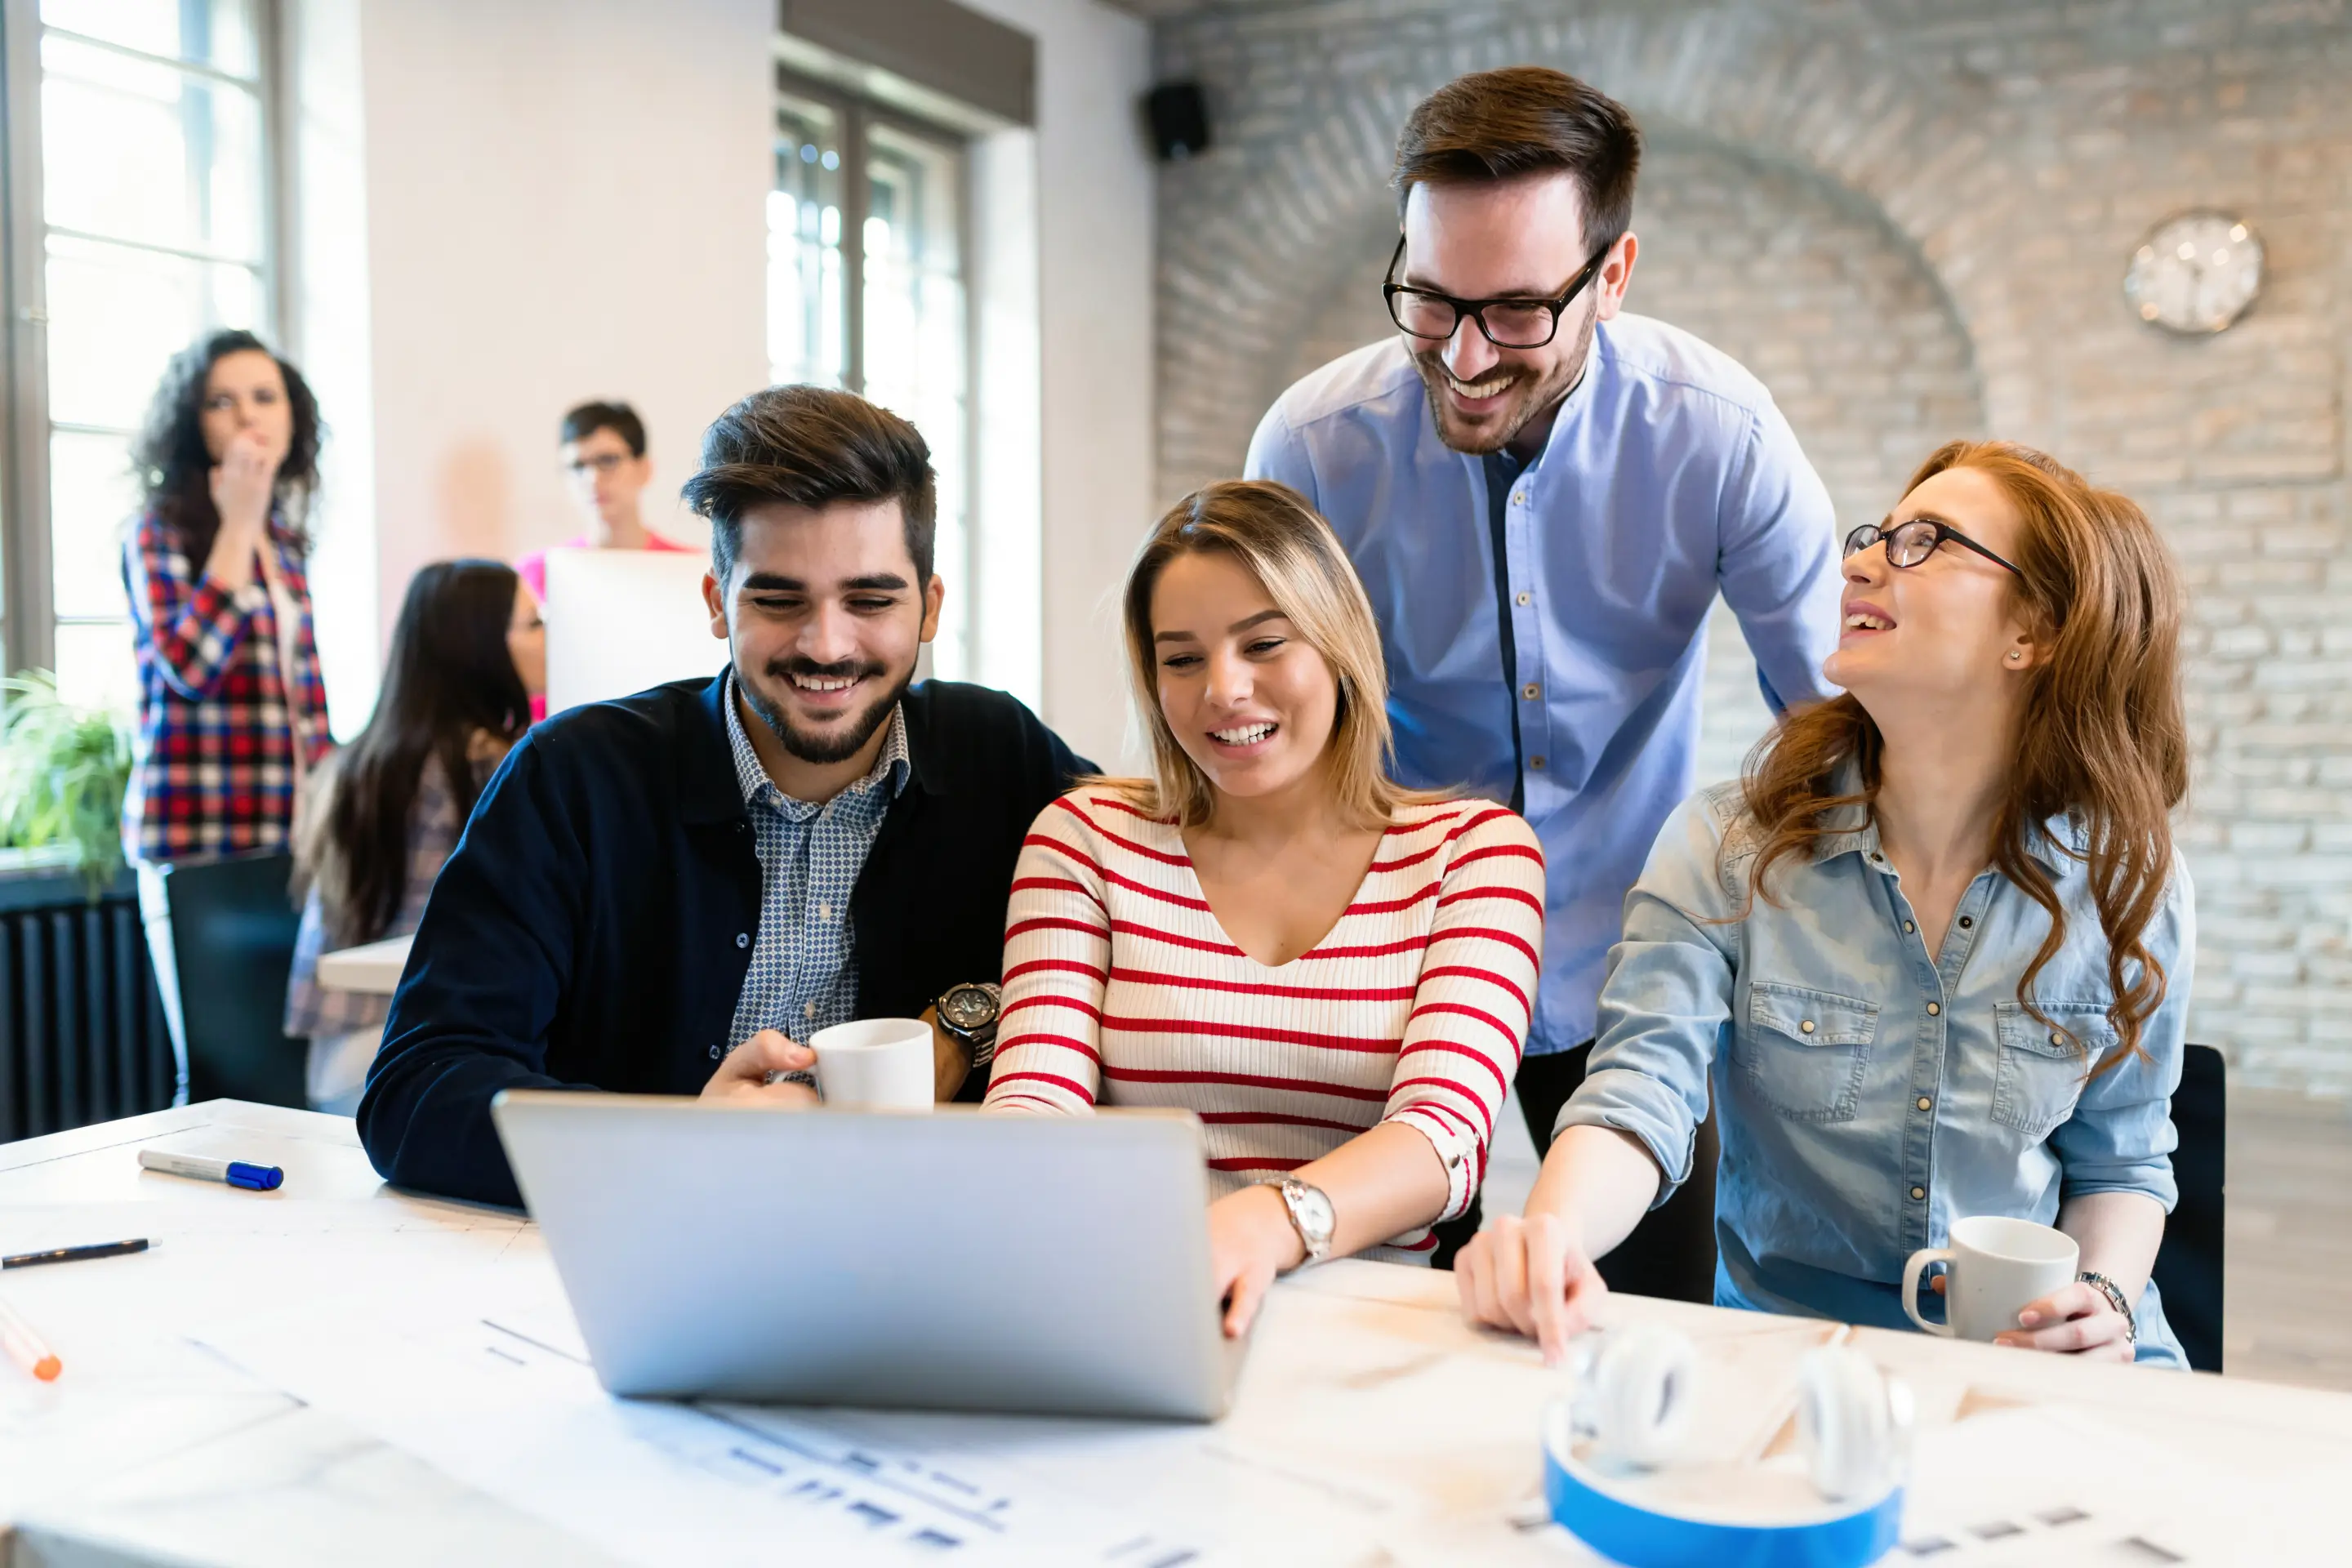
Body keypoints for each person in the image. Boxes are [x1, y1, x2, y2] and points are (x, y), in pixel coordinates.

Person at [1245, 67, 1845, 1284]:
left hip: (1630, 948)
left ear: (1612, 278)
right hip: (1385, 947)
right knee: (1362, 1291)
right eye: (1429, 298)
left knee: (1663, 1298)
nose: (1462, 356)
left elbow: (1835, 715)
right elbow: (1262, 727)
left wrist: (1790, 943)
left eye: (1518, 311)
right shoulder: (1310, 445)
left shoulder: (1719, 436)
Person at [1457, 440, 2194, 1369]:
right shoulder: (1727, 847)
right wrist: (1552, 1235)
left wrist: (2105, 1301)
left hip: (2047, 1358)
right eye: (1875, 536)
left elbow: (2123, 1164)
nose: (1859, 562)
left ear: (2033, 631)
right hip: (1799, 1351)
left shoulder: (2131, 881)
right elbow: (1639, 1093)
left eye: (1927, 541)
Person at [359, 385, 1091, 1207]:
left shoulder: (1000, 755)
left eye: (872, 600)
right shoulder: (571, 778)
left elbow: (1171, 902)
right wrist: (684, 1147)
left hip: (921, 1261)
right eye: (778, 600)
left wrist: (969, 1018)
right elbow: (416, 1092)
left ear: (930, 608)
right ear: (715, 602)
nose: (826, 645)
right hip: (629, 1279)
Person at [984, 480, 1544, 1339]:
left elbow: (1442, 1137)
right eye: (1181, 659)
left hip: (1373, 1325)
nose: (1224, 690)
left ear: (1337, 644)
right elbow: (1034, 1102)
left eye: (1264, 644)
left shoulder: (1474, 852)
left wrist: (1268, 1221)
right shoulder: (1084, 836)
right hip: (1135, 1303)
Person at [284, 561, 542, 1116]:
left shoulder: (352, 763)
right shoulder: (486, 764)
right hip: (413, 1064)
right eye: (533, 623)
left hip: (333, 1065)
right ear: (479, 645)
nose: (551, 637)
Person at [123, 328, 332, 862]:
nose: (248, 417)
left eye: (265, 397)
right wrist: (238, 522)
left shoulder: (284, 542)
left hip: (292, 833)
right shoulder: (159, 530)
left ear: (293, 415)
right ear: (195, 424)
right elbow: (191, 669)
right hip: (197, 836)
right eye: (222, 402)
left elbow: (303, 702)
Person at [517, 401, 693, 722]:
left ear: (644, 468)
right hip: (558, 739)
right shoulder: (532, 575)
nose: (592, 478)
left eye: (608, 460)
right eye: (577, 466)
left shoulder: (692, 571)